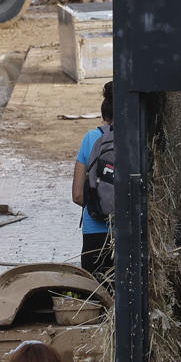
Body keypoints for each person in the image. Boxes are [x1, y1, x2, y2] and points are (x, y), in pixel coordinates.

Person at [72, 81, 114, 277]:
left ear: (104, 116)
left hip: (94, 232)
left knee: (94, 296)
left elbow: (78, 195)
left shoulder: (91, 138)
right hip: (126, 232)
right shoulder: (136, 138)